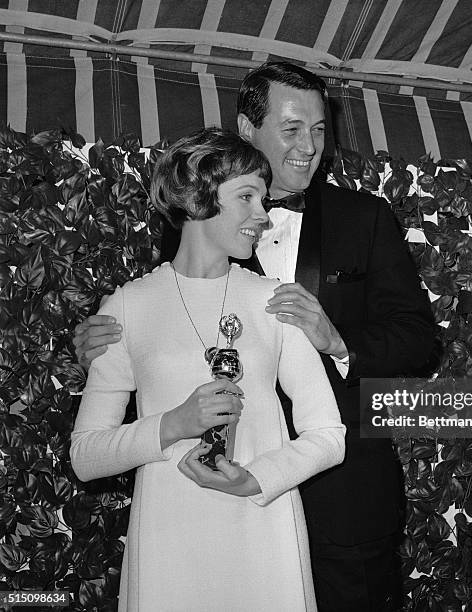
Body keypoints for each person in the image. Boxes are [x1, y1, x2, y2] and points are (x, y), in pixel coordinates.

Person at [74, 62, 436, 612]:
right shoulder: (193, 222)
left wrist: (339, 340)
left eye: (319, 130)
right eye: (292, 129)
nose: (310, 146)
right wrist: (97, 345)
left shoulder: (365, 218)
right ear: (247, 128)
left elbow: (420, 342)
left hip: (345, 497)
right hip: (201, 505)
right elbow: (163, 330)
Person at [70, 128, 346, 612]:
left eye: (263, 199)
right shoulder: (127, 307)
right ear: (198, 198)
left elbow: (328, 435)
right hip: (169, 540)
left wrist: (255, 480)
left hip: (264, 530)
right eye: (247, 197)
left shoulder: (275, 300)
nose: (263, 214)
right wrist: (174, 424)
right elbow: (86, 455)